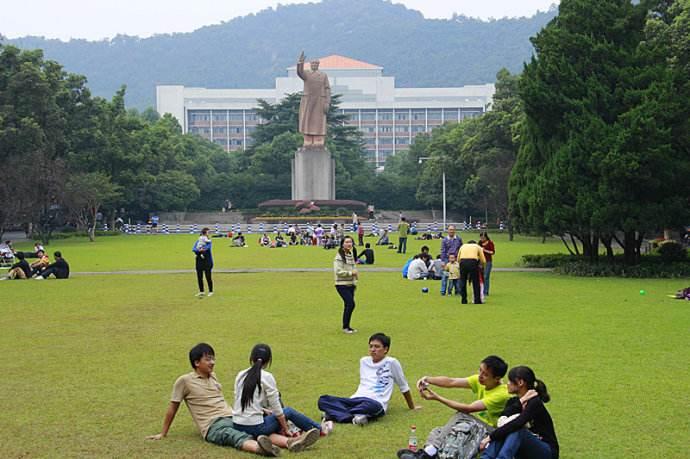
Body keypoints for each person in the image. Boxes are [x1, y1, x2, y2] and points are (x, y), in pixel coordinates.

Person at [146, 343, 283, 457]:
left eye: (213, 358)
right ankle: (260, 449)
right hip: (213, 425)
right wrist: (163, 433)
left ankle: (291, 442)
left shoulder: (213, 376)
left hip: (233, 417)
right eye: (208, 359)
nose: (212, 362)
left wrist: (262, 410)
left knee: (256, 428)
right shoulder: (184, 381)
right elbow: (173, 407)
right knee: (232, 435)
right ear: (196, 362)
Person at [397, 356, 511, 459]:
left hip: (492, 433)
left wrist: (437, 398)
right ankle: (429, 454)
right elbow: (451, 382)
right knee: (439, 431)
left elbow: (468, 409)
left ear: (497, 378)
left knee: (461, 415)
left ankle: (426, 455)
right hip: (479, 425)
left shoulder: (501, 394)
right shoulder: (480, 380)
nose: (480, 376)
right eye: (480, 370)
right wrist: (427, 379)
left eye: (485, 374)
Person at [232, 344, 327, 452]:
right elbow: (277, 409)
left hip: (237, 424)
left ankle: (290, 441)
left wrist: (264, 410)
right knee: (288, 411)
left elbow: (239, 401)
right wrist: (286, 428)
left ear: (251, 358)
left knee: (270, 418)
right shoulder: (267, 377)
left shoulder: (240, 375)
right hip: (256, 427)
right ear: (268, 361)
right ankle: (320, 429)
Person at [318, 333, 420, 425]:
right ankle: (356, 417)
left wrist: (412, 407)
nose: (372, 349)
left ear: (386, 349)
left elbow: (404, 386)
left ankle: (335, 415)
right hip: (356, 400)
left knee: (371, 406)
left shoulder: (392, 363)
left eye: (377, 347)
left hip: (375, 402)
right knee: (323, 400)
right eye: (371, 346)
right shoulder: (364, 361)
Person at [479, 366, 559, 459]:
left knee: (517, 430)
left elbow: (518, 423)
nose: (507, 384)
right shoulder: (513, 401)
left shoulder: (535, 403)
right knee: (505, 429)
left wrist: (490, 437)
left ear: (520, 383)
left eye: (510, 381)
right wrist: (521, 401)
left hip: (546, 452)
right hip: (524, 452)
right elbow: (501, 420)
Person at [297, 51, 331, 147]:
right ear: (310, 64)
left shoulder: (323, 75)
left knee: (319, 120)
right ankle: (307, 138)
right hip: (308, 101)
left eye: (316, 63)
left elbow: (327, 88)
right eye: (312, 63)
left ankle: (318, 139)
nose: (314, 65)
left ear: (318, 65)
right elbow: (299, 72)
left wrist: (327, 102)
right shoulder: (306, 74)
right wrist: (300, 63)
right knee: (307, 119)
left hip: (320, 101)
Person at [334, 236, 358, 333]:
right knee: (350, 304)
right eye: (347, 242)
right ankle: (345, 327)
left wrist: (355, 279)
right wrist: (351, 273)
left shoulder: (350, 254)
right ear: (342, 244)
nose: (349, 244)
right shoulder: (339, 256)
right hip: (341, 284)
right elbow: (338, 271)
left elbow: (353, 267)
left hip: (350, 284)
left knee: (348, 305)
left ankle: (347, 326)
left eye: (350, 242)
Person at [458, 240, 486, 304]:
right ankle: (477, 300)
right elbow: (483, 260)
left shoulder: (463, 246)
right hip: (473, 262)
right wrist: (481, 264)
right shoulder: (477, 246)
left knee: (463, 281)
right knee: (476, 282)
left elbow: (458, 258)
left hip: (463, 262)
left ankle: (464, 300)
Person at [440, 225, 463, 295]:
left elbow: (461, 249)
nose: (451, 231)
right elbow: (443, 251)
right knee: (445, 275)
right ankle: (443, 291)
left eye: (452, 229)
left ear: (455, 230)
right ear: (447, 230)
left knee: (457, 275)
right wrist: (443, 261)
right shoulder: (444, 240)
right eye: (450, 230)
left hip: (456, 259)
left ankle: (457, 291)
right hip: (447, 259)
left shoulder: (458, 239)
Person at [193, 228, 213, 297]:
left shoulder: (209, 242)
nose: (208, 234)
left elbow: (207, 248)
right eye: (208, 232)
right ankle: (201, 291)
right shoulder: (198, 241)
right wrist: (199, 250)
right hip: (199, 261)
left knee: (208, 276)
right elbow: (194, 249)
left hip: (207, 261)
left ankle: (210, 291)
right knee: (199, 277)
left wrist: (201, 250)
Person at [479, 232, 495, 296]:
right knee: (481, 276)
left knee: (486, 276)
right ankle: (481, 290)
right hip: (481, 261)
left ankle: (486, 291)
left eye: (483, 238)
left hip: (488, 261)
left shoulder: (490, 243)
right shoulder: (480, 243)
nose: (482, 239)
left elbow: (492, 252)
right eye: (481, 238)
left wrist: (485, 250)